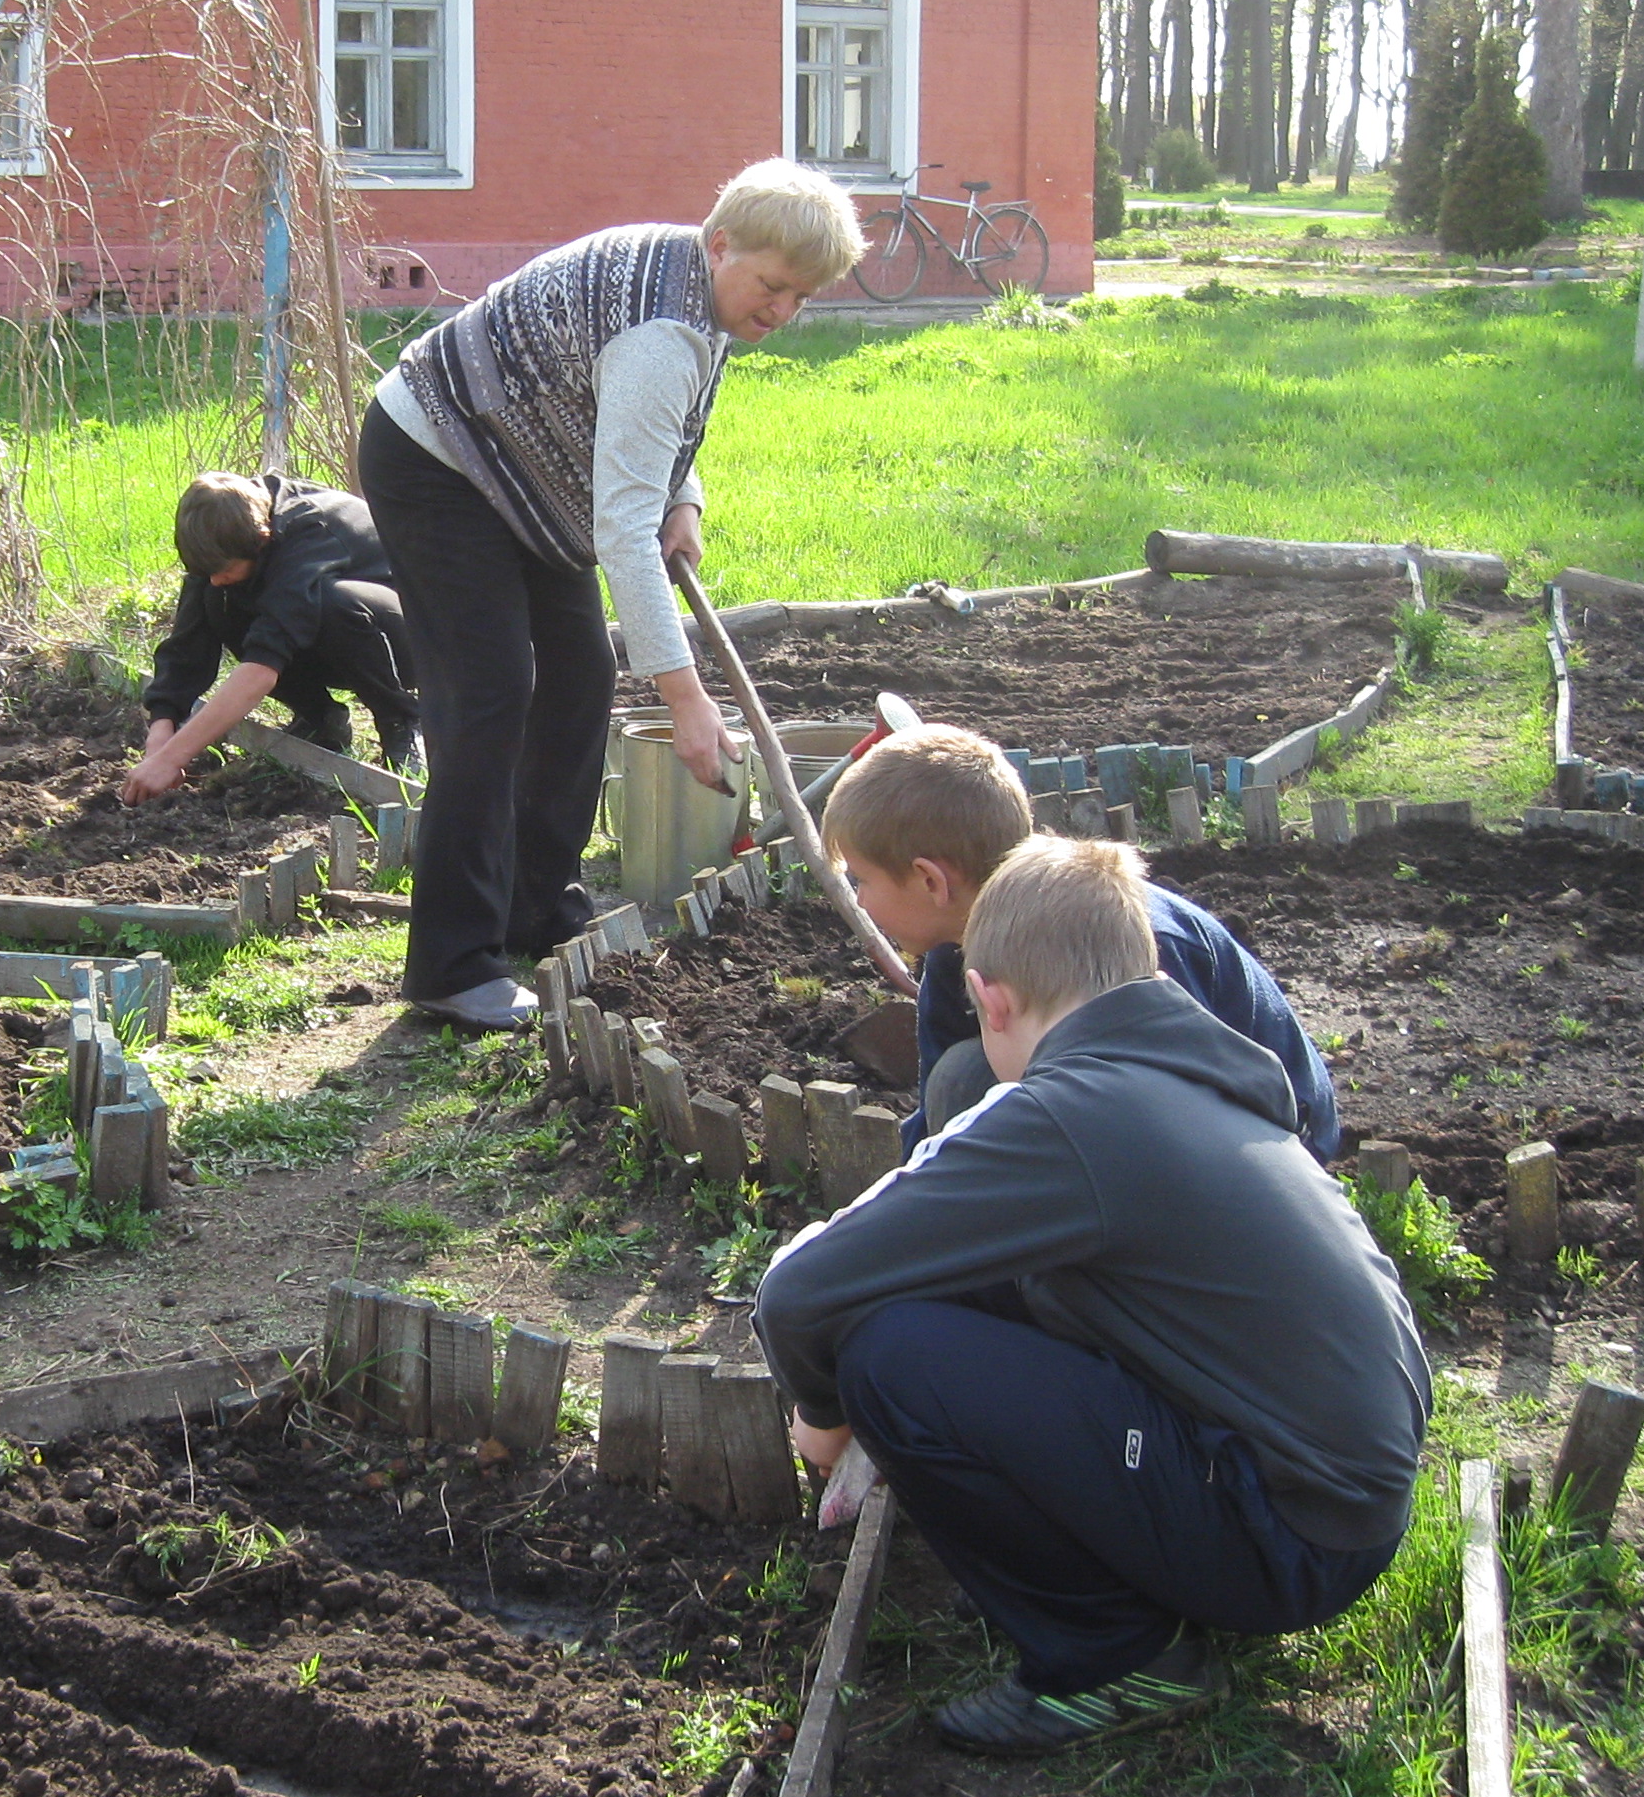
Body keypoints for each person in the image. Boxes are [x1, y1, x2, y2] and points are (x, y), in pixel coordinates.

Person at [754, 838, 1429, 1755]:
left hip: (1291, 1537)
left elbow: (796, 1294)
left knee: (893, 1358)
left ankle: (1116, 1657)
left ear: (990, 999)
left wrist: (825, 1416)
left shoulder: (1071, 1115)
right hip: (1335, 1494)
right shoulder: (1191, 1071)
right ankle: (1136, 1569)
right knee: (953, 1286)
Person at [359, 159, 868, 1030]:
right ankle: (451, 962)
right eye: (774, 287)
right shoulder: (662, 330)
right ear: (720, 247)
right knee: (487, 693)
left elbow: (648, 422)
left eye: (802, 298)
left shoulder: (700, 289)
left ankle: (533, 904)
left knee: (582, 676)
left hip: (524, 461)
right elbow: (622, 526)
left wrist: (685, 494)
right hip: (437, 458)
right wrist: (688, 698)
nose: (782, 312)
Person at [821, 725, 1344, 1161]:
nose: (860, 903)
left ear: (931, 881)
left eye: (863, 881)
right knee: (962, 1080)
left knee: (972, 1081)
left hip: (1268, 1137)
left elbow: (1192, 1099)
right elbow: (937, 1127)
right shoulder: (952, 956)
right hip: (1120, 1125)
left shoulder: (1129, 941)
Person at [124, 471, 418, 805]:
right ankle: (321, 719)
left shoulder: (308, 528)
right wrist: (162, 728)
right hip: (327, 633)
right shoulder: (224, 534)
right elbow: (186, 645)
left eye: (224, 570)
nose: (216, 580)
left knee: (331, 601)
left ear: (262, 540)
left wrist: (172, 759)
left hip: (406, 635)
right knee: (217, 601)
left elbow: (262, 667)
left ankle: (402, 724)